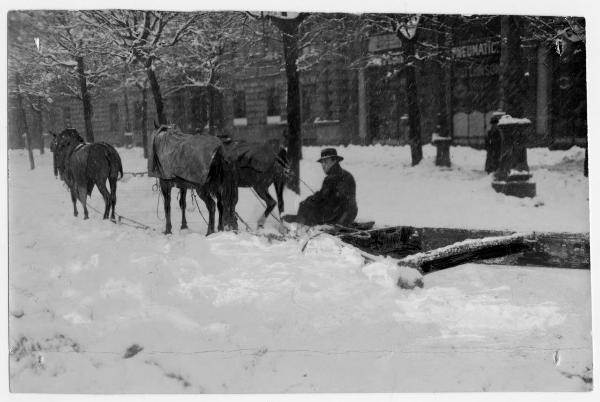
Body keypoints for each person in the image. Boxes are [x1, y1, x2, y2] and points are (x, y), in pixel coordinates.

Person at [283, 148, 358, 226]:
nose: (323, 165)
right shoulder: (345, 174)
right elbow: (326, 195)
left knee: (307, 208)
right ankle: (299, 220)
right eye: (322, 162)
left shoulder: (333, 178)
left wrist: (309, 203)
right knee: (308, 205)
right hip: (348, 214)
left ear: (334, 161)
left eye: (325, 162)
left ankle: (297, 224)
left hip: (339, 216)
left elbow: (329, 199)